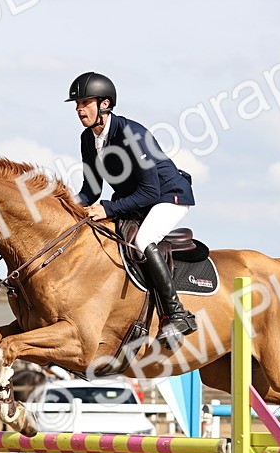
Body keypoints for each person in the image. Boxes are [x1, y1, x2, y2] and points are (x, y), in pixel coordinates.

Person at [66, 71, 198, 351]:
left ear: (104, 104)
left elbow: (150, 192)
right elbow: (91, 191)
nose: (79, 109)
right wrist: (65, 206)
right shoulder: (88, 139)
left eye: (85, 102)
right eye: (77, 104)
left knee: (142, 240)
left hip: (168, 196)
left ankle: (176, 314)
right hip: (135, 200)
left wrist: (108, 208)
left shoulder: (132, 134)